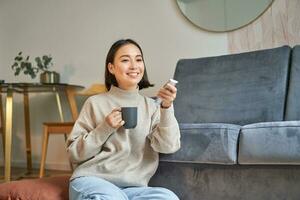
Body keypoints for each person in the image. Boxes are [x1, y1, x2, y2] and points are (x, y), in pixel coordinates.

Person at [67, 38, 181, 200]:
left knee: (168, 197)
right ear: (111, 67)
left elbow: (168, 147)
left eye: (139, 59)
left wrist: (166, 107)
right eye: (125, 60)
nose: (134, 66)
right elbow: (73, 154)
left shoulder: (153, 106)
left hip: (133, 189)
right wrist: (104, 128)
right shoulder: (95, 103)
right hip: (93, 180)